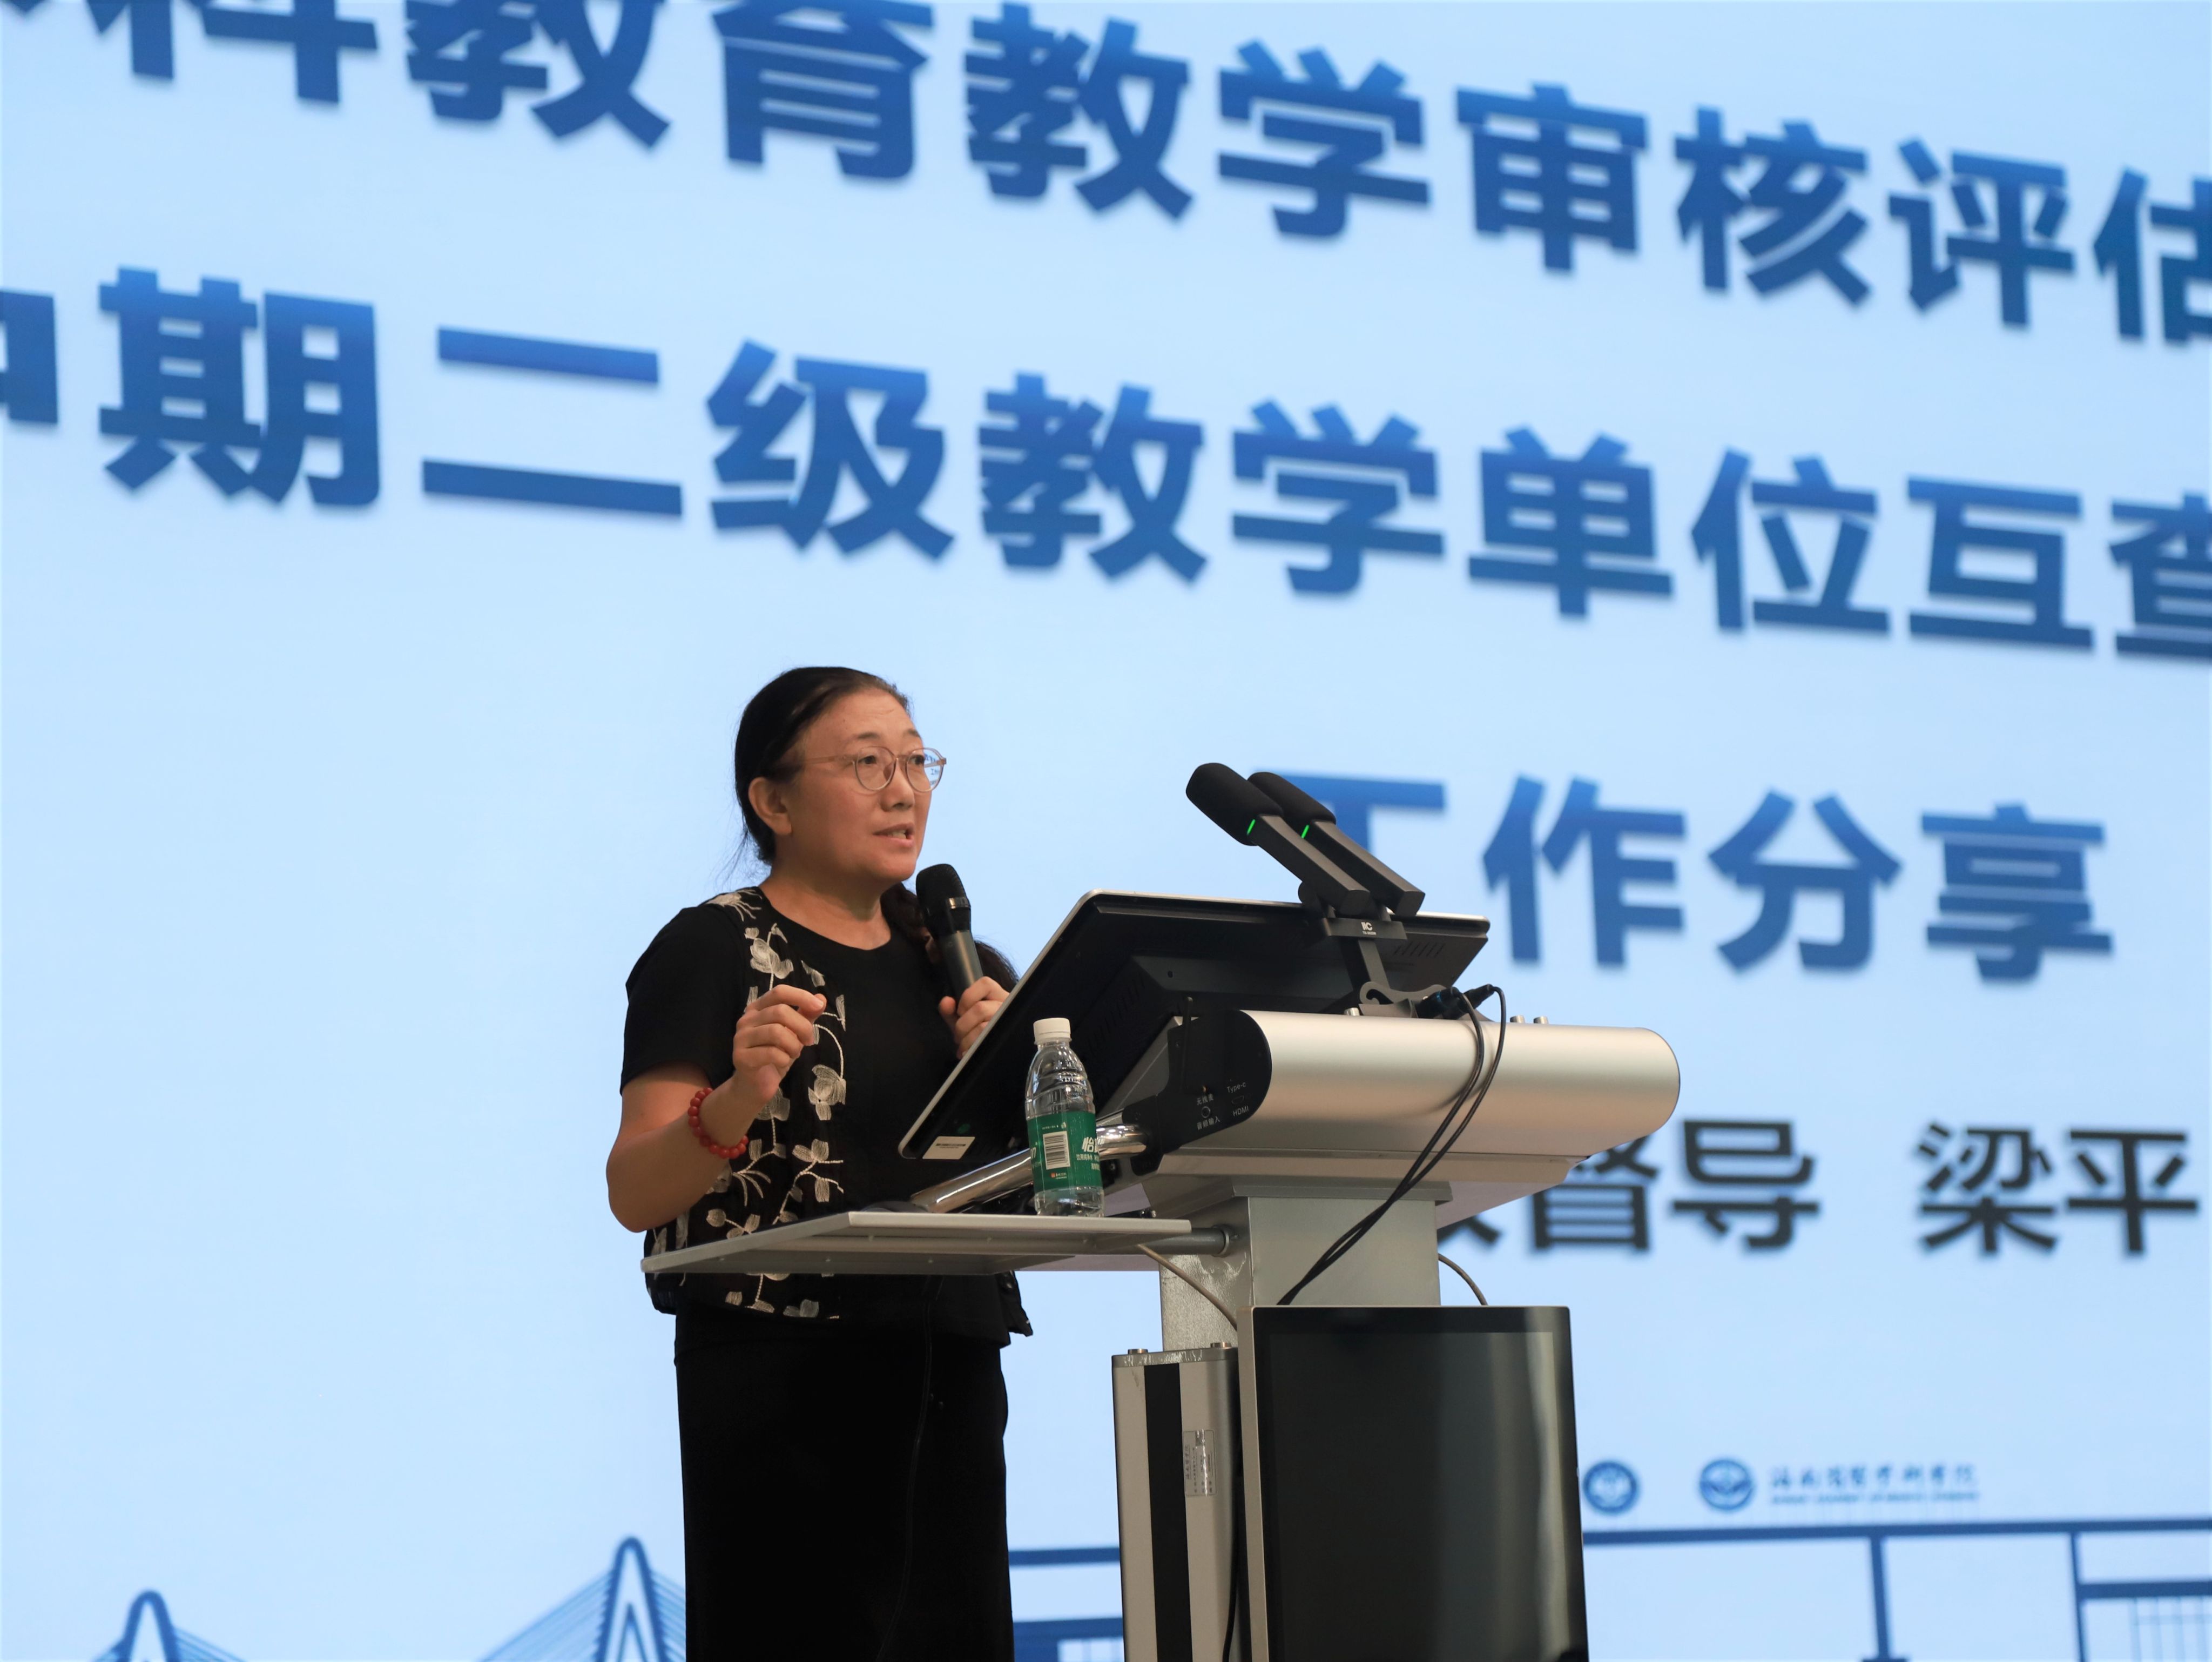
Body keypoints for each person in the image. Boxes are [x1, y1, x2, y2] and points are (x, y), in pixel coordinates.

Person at [607, 667, 1027, 1661]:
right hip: (778, 1382)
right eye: (868, 763)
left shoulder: (964, 970)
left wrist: (1015, 1080)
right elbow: (635, 1190)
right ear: (774, 800)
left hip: (951, 1368)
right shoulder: (715, 948)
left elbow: (1042, 1185)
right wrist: (739, 1095)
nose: (904, 789)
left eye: (917, 761)